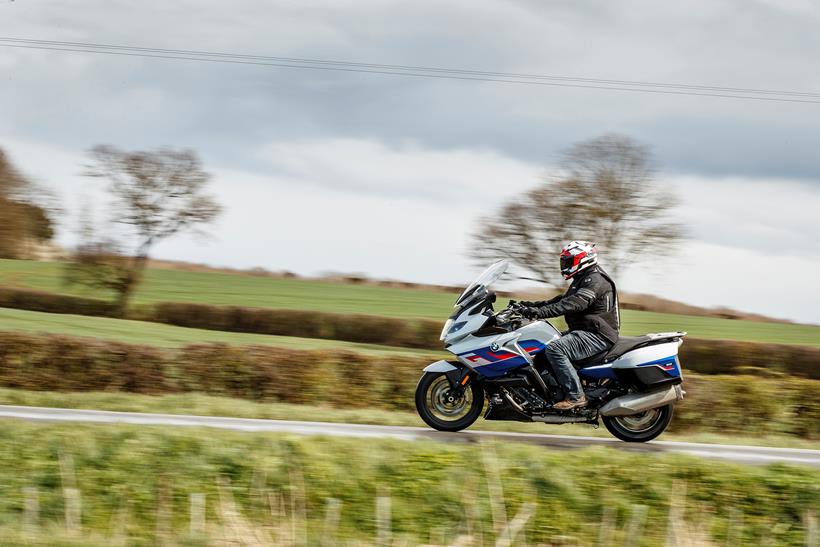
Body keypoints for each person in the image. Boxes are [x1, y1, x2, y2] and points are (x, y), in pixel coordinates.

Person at [518, 241, 620, 410]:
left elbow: (574, 304)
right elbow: (561, 300)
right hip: (585, 331)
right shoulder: (583, 277)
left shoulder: (595, 279)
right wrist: (530, 306)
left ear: (582, 259)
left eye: (568, 261)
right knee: (542, 350)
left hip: (597, 335)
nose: (564, 265)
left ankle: (576, 396)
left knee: (555, 349)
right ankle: (550, 396)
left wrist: (539, 313)